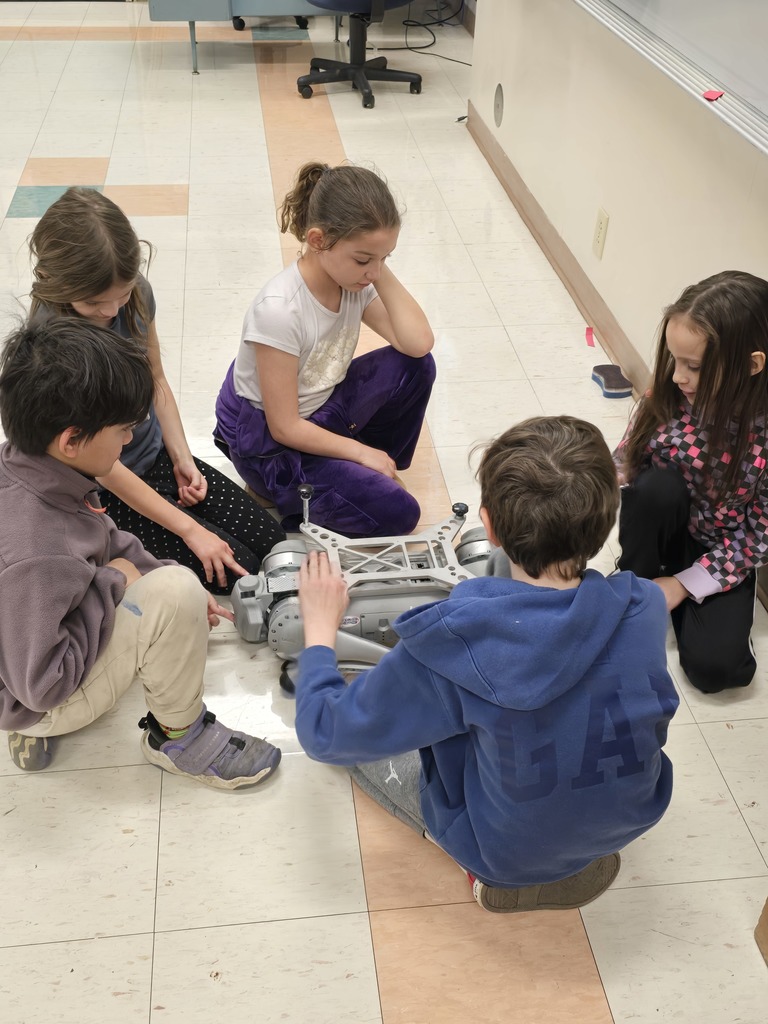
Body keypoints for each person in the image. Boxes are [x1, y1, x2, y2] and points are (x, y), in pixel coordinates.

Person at [291, 416, 679, 913]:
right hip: (633, 816)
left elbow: (325, 735)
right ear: (605, 524)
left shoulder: (448, 649)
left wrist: (321, 632)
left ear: (488, 524)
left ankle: (494, 872)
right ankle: (572, 846)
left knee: (364, 748)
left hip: (505, 855)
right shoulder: (644, 605)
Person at [0, 316, 281, 788]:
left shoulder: (36, 465)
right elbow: (43, 684)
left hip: (29, 638)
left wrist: (146, 571)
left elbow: (106, 537)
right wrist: (123, 583)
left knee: (168, 582)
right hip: (34, 698)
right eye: (122, 430)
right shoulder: (35, 553)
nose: (130, 440)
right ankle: (178, 737)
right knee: (176, 590)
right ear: (71, 440)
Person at [28, 187, 286, 594]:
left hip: (151, 455)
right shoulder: (53, 345)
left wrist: (182, 456)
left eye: (122, 294)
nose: (112, 311)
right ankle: (107, 558)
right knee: (237, 572)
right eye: (96, 302)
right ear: (58, 284)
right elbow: (100, 466)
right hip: (101, 489)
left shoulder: (135, 295)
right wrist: (188, 529)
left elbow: (157, 379)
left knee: (274, 545)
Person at [214, 161, 436, 537]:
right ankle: (289, 495)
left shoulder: (352, 280)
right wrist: (361, 452)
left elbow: (418, 344)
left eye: (385, 258)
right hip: (270, 444)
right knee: (400, 514)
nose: (374, 273)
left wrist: (374, 264)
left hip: (319, 409)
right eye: (363, 259)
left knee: (417, 366)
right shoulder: (279, 310)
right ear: (317, 241)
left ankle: (362, 474)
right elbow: (283, 426)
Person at [615, 270, 768, 694]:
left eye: (694, 366)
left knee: (717, 671)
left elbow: (758, 536)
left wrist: (685, 585)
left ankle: (679, 590)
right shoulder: (669, 391)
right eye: (674, 359)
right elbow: (627, 459)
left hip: (722, 544)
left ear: (752, 365)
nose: (677, 376)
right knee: (655, 488)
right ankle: (639, 575)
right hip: (663, 519)